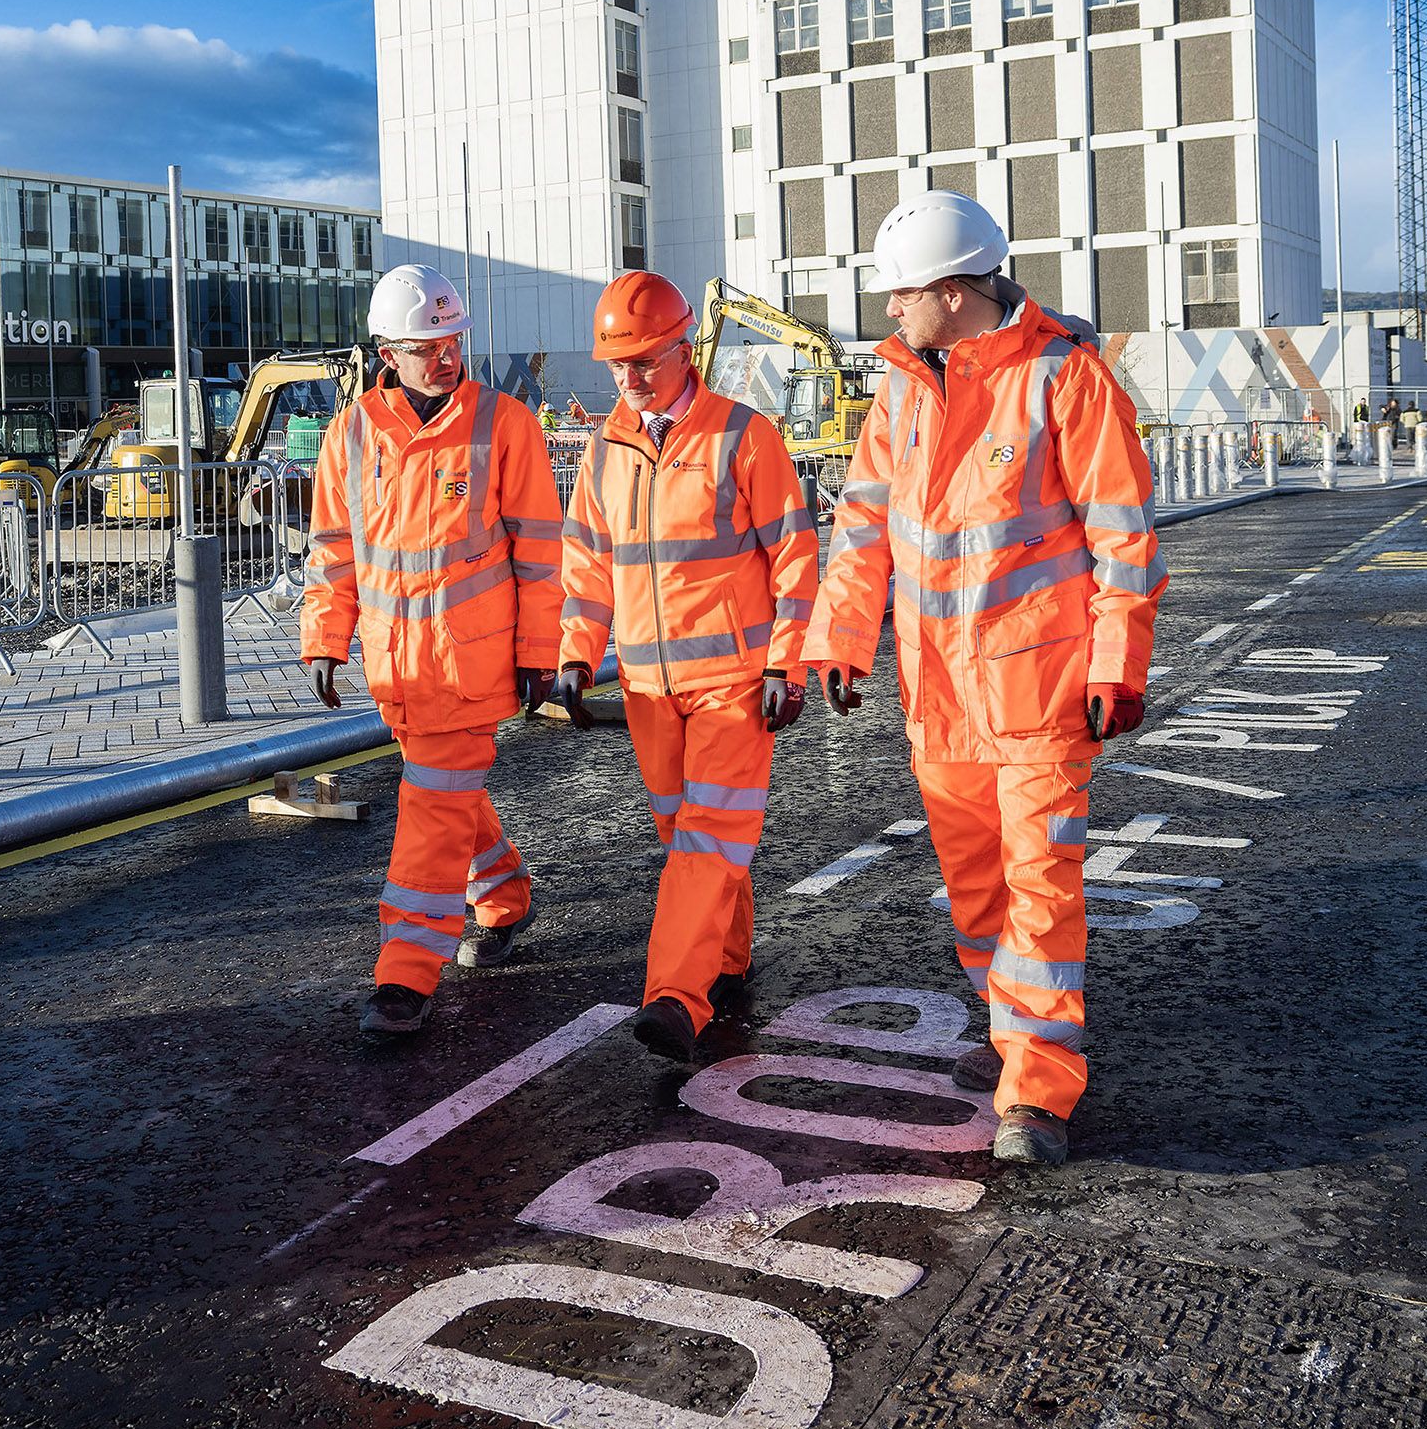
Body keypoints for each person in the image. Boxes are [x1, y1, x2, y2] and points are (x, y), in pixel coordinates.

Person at [802, 191, 1165, 1166]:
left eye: (902, 294)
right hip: (940, 694)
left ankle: (1037, 1091)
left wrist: (1117, 662)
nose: (889, 312)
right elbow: (864, 527)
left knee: (1040, 885)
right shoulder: (902, 390)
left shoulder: (1065, 379)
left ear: (955, 292)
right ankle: (1011, 1033)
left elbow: (1123, 540)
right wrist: (835, 638)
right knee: (974, 888)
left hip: (1040, 693)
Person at [553, 272, 819, 1063]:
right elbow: (588, 566)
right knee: (687, 834)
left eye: (643, 364)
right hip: (645, 688)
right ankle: (727, 958)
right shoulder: (606, 449)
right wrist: (574, 656)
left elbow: (796, 558)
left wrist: (787, 664)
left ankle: (676, 994)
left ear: (683, 347)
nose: (629, 381)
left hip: (736, 684)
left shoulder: (743, 436)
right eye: (617, 367)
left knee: (706, 836)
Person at [301, 263, 563, 1036]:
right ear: (387, 351)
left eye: (453, 340)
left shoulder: (503, 423)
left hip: (471, 663)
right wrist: (324, 634)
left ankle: (405, 974)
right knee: (448, 796)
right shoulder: (351, 433)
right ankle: (506, 896)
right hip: (398, 668)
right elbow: (333, 548)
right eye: (427, 346)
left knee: (430, 808)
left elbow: (542, 552)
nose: (446, 357)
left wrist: (539, 652)